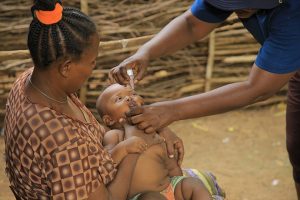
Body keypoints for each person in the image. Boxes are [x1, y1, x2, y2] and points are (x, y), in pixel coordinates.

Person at [109, 0, 300, 198]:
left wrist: (171, 111)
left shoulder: (294, 17)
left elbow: (257, 89)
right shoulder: (113, 138)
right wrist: (146, 52)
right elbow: (192, 24)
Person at [4, 1, 183, 199]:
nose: (93, 69)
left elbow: (90, 138)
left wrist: (158, 128)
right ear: (66, 68)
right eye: (91, 62)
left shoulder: (32, 83)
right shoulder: (61, 141)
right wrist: (131, 153)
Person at [96, 83, 226, 200]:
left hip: (170, 187)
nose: (129, 98)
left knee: (193, 184)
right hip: (141, 196)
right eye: (119, 99)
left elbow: (170, 164)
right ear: (109, 120)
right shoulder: (115, 135)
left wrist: (179, 179)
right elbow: (107, 161)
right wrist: (123, 148)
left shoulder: (155, 131)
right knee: (151, 198)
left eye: (133, 94)